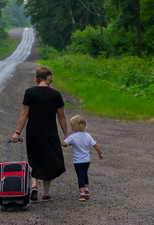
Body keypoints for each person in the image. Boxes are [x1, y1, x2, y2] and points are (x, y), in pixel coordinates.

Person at [12, 66, 68, 202]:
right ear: (49, 77)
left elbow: (24, 114)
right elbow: (61, 117)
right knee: (49, 160)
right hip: (50, 133)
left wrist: (17, 132)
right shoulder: (55, 95)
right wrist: (67, 135)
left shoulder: (29, 93)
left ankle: (34, 185)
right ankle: (46, 194)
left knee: (34, 158)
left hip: (33, 132)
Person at [62, 115, 104, 201]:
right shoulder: (88, 135)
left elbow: (64, 144)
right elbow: (95, 145)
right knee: (85, 174)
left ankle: (82, 194)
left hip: (78, 161)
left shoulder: (72, 137)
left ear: (73, 127)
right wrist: (100, 153)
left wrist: (63, 141)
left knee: (80, 176)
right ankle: (86, 190)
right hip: (87, 160)